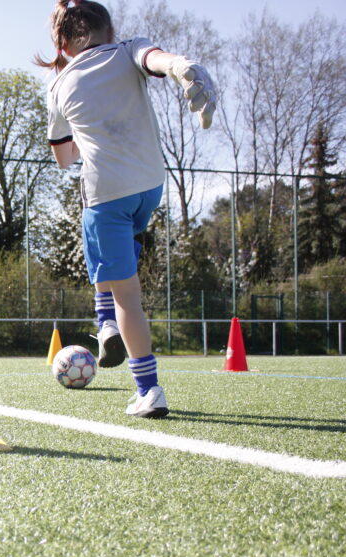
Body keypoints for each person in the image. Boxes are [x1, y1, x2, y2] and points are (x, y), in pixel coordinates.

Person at [35, 0, 216, 418]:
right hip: (150, 187)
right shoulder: (128, 50)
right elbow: (159, 61)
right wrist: (182, 67)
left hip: (107, 195)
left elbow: (64, 160)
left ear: (62, 44)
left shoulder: (59, 86)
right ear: (110, 32)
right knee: (114, 258)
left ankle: (147, 388)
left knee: (125, 294)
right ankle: (106, 325)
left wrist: (88, 125)